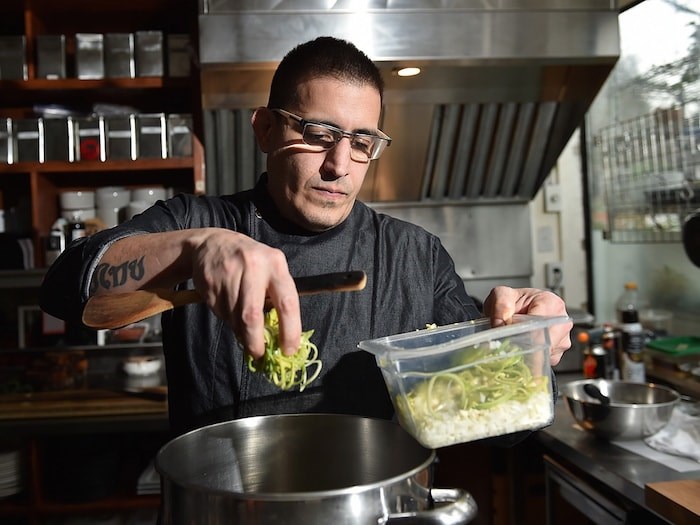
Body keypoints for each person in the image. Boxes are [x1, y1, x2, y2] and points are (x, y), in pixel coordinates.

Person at [40, 36, 572, 437]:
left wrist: (525, 343)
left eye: (362, 141)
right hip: (226, 508)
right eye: (318, 134)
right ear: (265, 130)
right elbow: (67, 287)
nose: (340, 165)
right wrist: (194, 249)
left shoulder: (415, 256)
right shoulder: (193, 222)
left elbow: (503, 416)